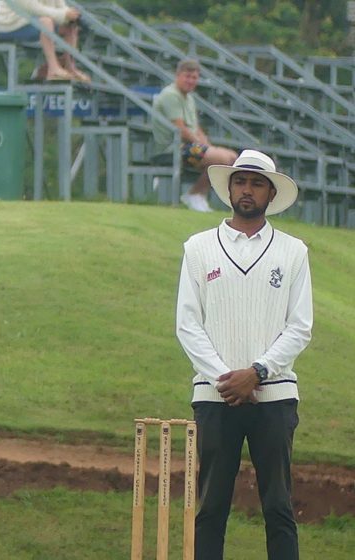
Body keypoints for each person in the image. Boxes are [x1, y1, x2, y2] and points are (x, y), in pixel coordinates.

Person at [174, 149, 311, 560]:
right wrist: (227, 379)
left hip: (274, 397)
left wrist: (257, 372)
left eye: (255, 183)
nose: (246, 190)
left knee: (278, 508)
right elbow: (187, 325)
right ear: (228, 189)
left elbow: (300, 327)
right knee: (211, 508)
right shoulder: (198, 248)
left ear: (271, 193)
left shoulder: (293, 252)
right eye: (239, 182)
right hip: (215, 397)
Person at [152, 59, 239, 213]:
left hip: (189, 146)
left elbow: (196, 128)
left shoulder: (189, 98)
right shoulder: (170, 95)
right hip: (173, 148)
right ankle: (194, 195)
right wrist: (206, 148)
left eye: (194, 77)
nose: (191, 81)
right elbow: (181, 129)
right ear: (178, 75)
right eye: (187, 76)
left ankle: (199, 195)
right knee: (222, 160)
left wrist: (209, 147)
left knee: (233, 158)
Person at [0, 0, 91, 82]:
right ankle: (53, 70)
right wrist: (64, 14)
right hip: (9, 25)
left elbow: (61, 7)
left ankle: (70, 67)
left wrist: (71, 15)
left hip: (29, 21)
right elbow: (35, 8)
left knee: (70, 24)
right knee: (46, 22)